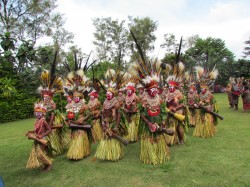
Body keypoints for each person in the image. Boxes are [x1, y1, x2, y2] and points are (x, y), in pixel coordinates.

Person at [95, 69, 128, 161]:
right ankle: (107, 154)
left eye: (110, 93)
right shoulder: (105, 102)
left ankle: (115, 154)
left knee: (112, 136)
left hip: (113, 122)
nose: (108, 94)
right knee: (106, 136)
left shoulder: (116, 102)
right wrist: (102, 121)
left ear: (113, 94)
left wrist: (116, 125)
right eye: (107, 93)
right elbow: (102, 112)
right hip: (106, 121)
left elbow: (118, 114)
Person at [26, 102, 53, 172]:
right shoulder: (37, 121)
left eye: (39, 113)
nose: (37, 114)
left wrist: (42, 135)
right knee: (40, 153)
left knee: (39, 154)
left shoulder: (43, 121)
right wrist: (31, 132)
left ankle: (49, 164)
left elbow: (49, 130)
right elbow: (37, 131)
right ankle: (46, 165)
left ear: (43, 114)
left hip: (43, 139)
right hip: (37, 139)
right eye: (36, 112)